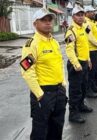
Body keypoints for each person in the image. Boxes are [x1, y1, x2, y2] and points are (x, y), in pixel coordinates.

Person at [20, 8, 67, 140]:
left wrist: (63, 84)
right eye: (43, 20)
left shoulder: (55, 42)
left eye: (50, 20)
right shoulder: (31, 44)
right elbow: (27, 71)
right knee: (40, 132)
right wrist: (40, 95)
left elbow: (59, 64)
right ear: (35, 23)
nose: (48, 23)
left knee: (57, 128)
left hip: (59, 92)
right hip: (43, 93)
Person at [65, 6, 95, 124]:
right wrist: (77, 64)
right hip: (76, 65)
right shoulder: (71, 30)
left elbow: (85, 46)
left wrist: (88, 60)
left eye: (82, 14)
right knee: (75, 90)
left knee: (83, 88)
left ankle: (81, 105)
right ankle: (73, 113)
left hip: (84, 62)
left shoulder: (83, 28)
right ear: (73, 17)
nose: (81, 16)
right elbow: (69, 49)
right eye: (78, 15)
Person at [84, 6, 97, 94]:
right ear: (86, 13)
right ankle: (89, 90)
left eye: (94, 12)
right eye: (91, 12)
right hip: (92, 50)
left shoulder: (91, 22)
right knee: (91, 72)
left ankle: (93, 87)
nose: (94, 13)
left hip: (96, 49)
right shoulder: (86, 23)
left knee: (95, 70)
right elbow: (90, 37)